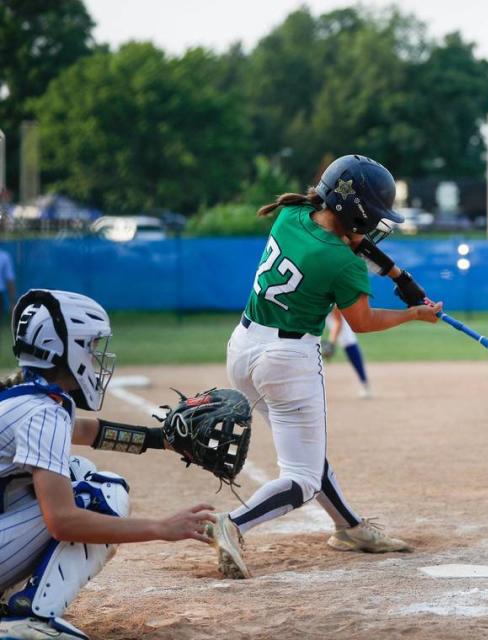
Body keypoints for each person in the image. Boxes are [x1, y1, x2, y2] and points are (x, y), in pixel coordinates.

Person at [207, 154, 442, 579]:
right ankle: (233, 525)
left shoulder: (293, 214)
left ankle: (349, 529)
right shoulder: (343, 263)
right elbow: (363, 322)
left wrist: (397, 276)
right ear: (356, 211)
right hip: (287, 362)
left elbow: (347, 240)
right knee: (302, 477)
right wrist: (414, 314)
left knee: (306, 455)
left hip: (243, 348)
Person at [0, 290, 216, 640]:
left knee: (78, 471)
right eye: (90, 345)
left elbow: (84, 430)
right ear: (64, 348)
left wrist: (160, 439)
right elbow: (63, 522)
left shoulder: (27, 398)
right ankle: (30, 620)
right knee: (102, 492)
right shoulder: (43, 411)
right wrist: (162, 528)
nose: (96, 355)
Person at [325, 306, 372, 399]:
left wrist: (331, 343)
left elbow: (338, 322)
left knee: (348, 340)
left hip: (334, 311)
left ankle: (364, 383)